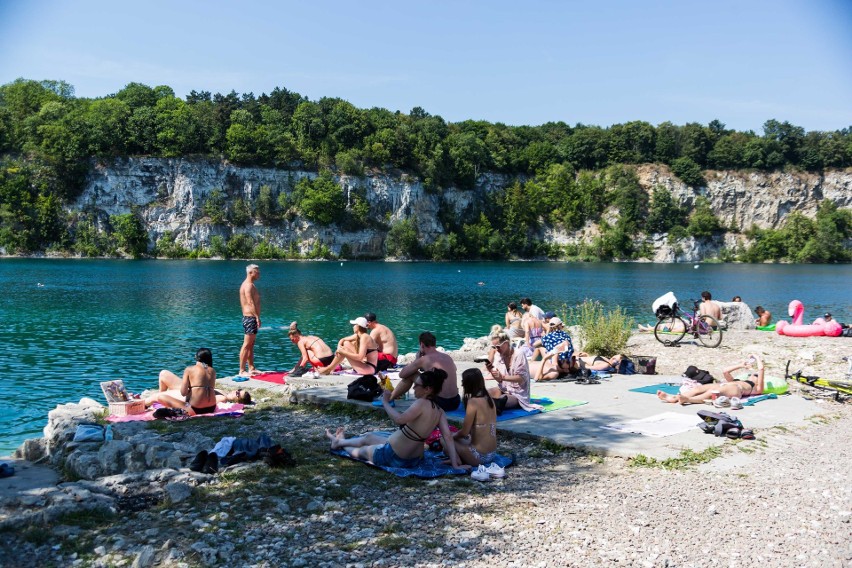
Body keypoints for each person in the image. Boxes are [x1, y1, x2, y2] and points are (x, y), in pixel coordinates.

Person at [326, 369, 464, 470]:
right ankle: (340, 441)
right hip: (414, 459)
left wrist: (385, 402)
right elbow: (448, 437)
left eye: (417, 385)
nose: (414, 387)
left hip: (395, 456)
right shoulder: (439, 411)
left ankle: (339, 444)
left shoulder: (421, 403)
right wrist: (455, 464)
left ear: (427, 389)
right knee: (368, 437)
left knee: (362, 451)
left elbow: (399, 419)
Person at [389, 332, 460, 411]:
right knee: (429, 379)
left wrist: (417, 360)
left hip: (440, 403)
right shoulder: (447, 357)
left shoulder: (424, 359)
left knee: (411, 374)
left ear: (422, 345)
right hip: (455, 402)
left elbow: (402, 374)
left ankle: (389, 399)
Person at [657, 354, 765, 404]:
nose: (752, 375)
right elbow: (725, 371)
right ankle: (673, 398)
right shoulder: (738, 379)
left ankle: (687, 399)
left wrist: (757, 357)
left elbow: (761, 369)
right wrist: (741, 365)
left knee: (710, 392)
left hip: (737, 389)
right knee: (698, 389)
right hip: (728, 385)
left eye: (755, 375)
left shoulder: (756, 387)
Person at [448, 369, 498, 466]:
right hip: (492, 454)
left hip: (478, 457)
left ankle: (456, 460)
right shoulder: (489, 399)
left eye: (463, 382)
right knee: (459, 439)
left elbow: (464, 432)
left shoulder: (473, 402)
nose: (462, 385)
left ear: (468, 384)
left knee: (445, 439)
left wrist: (451, 436)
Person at [149, 348, 221, 415]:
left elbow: (183, 393)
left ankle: (148, 405)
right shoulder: (212, 371)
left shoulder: (189, 369)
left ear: (196, 358)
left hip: (194, 409)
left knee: (161, 397)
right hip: (211, 408)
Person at [484, 330, 541, 412]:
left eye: (498, 346)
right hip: (504, 388)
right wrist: (492, 372)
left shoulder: (519, 354)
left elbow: (521, 378)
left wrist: (502, 377)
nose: (497, 349)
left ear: (506, 343)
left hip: (518, 393)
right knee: (482, 395)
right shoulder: (499, 355)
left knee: (500, 401)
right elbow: (500, 380)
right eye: (494, 347)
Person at [239, 264, 262, 377]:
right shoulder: (248, 286)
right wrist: (256, 317)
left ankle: (251, 368)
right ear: (250, 272)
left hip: (250, 317)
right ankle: (242, 370)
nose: (259, 274)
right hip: (250, 318)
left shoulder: (250, 285)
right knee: (247, 344)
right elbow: (250, 302)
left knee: (251, 344)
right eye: (257, 272)